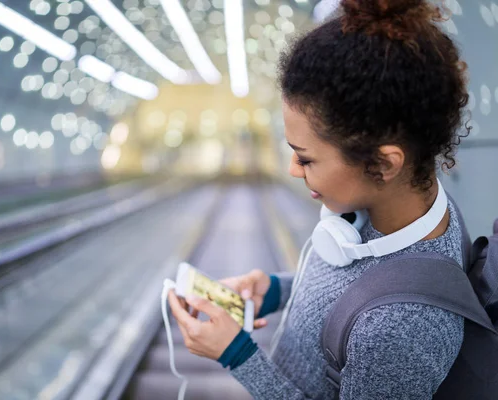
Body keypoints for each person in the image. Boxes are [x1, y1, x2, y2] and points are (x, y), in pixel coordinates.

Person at [167, 0, 471, 398]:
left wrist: (237, 355)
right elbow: (357, 289)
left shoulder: (404, 328)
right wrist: (277, 290)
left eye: (306, 157)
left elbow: (376, 306)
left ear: (383, 163)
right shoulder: (410, 206)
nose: (293, 168)